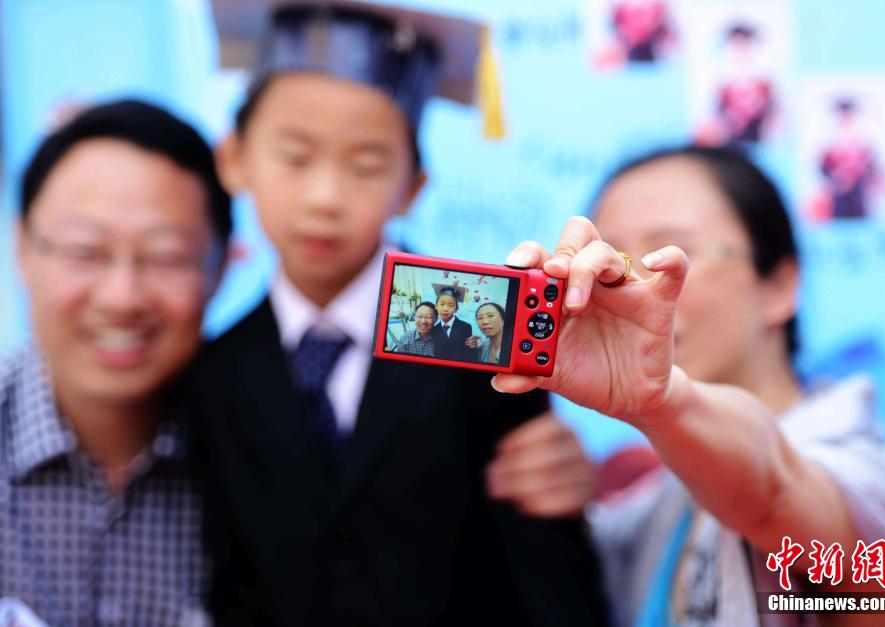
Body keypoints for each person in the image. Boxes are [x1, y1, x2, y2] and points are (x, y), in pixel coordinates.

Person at [185, 1, 608, 625]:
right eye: (295, 157)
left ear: (413, 187)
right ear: (234, 160)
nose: (325, 198)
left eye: (366, 166)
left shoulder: (481, 335)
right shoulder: (213, 375)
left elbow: (547, 575)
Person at [487, 146, 885, 625]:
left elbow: (778, 498)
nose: (629, 287)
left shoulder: (855, 467)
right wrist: (577, 502)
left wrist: (659, 404)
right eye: (614, 260)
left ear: (779, 286)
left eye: (669, 254)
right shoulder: (654, 502)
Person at [1, 100, 231, 626]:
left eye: (166, 256)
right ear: (23, 250)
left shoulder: (272, 452)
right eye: (85, 251)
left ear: (221, 265)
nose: (121, 297)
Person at [432, 286, 475, 361]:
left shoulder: (465, 327)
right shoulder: (434, 330)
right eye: (442, 304)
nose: (445, 309)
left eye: (450, 305)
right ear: (436, 306)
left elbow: (469, 353)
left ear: (456, 309)